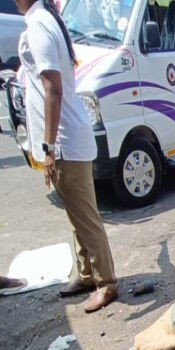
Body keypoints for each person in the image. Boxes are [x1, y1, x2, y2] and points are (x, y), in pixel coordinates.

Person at [16, 0, 118, 313]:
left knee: (86, 217)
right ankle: (87, 274)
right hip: (66, 140)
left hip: (64, 142)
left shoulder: (40, 23)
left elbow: (53, 89)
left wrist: (47, 148)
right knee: (74, 212)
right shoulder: (45, 18)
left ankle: (107, 283)